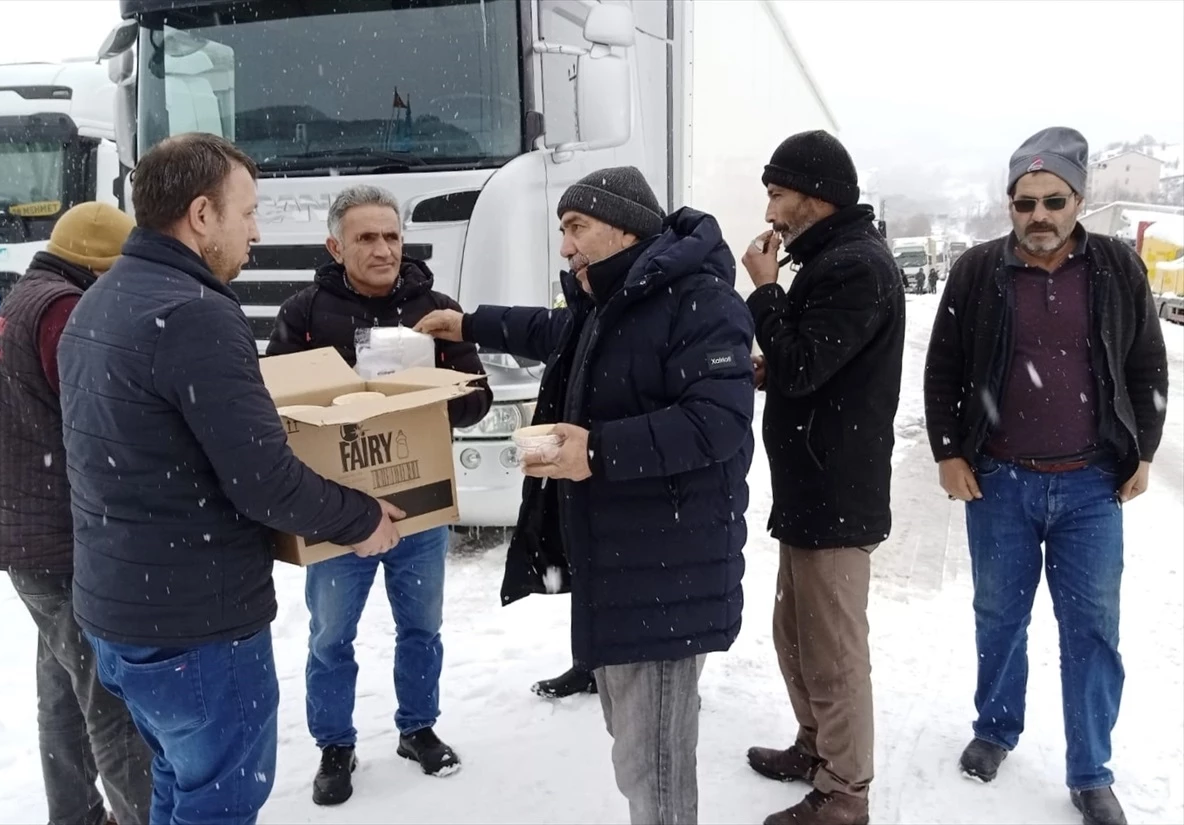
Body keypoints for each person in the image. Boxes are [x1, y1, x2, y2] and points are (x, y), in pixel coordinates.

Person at [57, 133, 404, 825]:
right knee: (219, 801)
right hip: (194, 627)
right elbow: (264, 478)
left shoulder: (99, 301)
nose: (256, 231)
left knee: (178, 784)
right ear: (201, 216)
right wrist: (361, 518)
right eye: (246, 213)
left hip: (120, 613)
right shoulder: (196, 314)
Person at [417, 167, 754, 825]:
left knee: (654, 773)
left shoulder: (699, 302)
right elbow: (548, 331)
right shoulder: (611, 301)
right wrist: (469, 324)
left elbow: (718, 423)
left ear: (624, 226)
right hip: (627, 570)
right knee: (637, 758)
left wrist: (595, 449)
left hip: (665, 578)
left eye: (576, 228)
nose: (564, 246)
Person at [924, 126, 1168, 825]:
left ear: (1078, 199)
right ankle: (997, 728)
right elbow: (943, 368)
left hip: (1093, 486)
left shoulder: (1117, 268)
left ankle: (1091, 769)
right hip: (998, 482)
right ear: (1009, 204)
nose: (1038, 214)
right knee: (999, 615)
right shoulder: (977, 271)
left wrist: (1143, 451)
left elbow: (1148, 365)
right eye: (1023, 201)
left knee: (1092, 628)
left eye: (1053, 200)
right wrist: (949, 450)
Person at [265, 184, 491, 803]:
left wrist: (426, 378)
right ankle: (334, 745)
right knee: (331, 637)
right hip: (335, 514)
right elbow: (275, 408)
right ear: (336, 246)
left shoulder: (436, 308)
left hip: (418, 506)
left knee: (421, 628)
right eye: (367, 237)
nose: (384, 249)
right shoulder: (304, 314)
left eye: (392, 236)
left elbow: (477, 401)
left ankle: (418, 729)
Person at [740, 130, 905, 825]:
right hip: (811, 487)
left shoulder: (855, 266)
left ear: (816, 196)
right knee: (795, 633)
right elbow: (810, 366)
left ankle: (844, 793)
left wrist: (765, 293)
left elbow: (808, 365)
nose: (771, 210)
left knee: (833, 651)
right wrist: (770, 364)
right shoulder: (832, 260)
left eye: (778, 193)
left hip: (838, 493)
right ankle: (815, 747)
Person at [0, 203, 153, 825]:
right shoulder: (63, 310)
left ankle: (75, 814)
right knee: (110, 699)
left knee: (62, 688)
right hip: (61, 540)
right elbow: (99, 416)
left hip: (23, 532)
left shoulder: (17, 303)